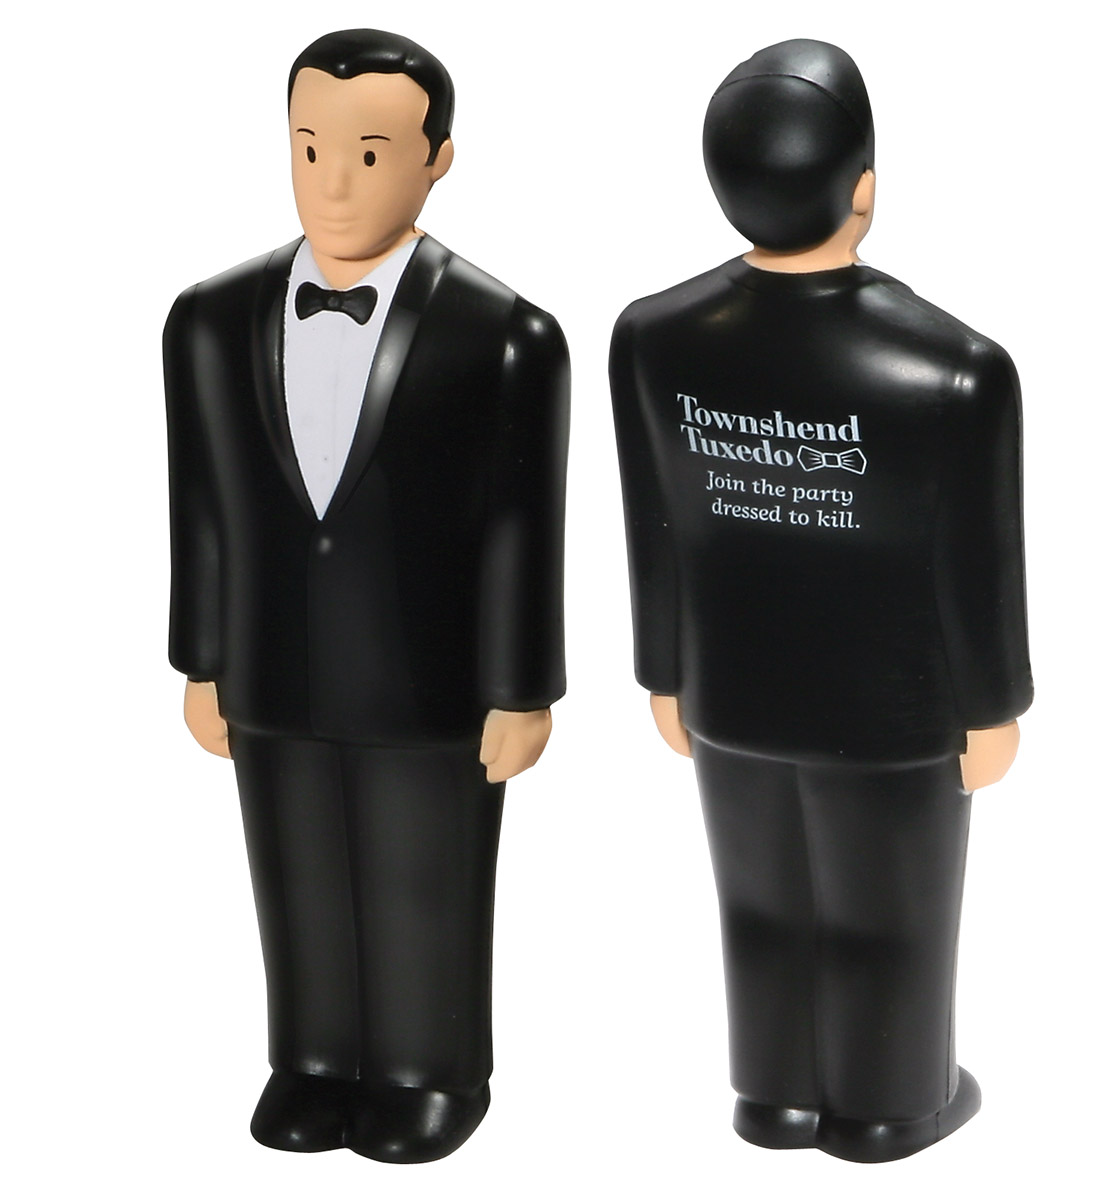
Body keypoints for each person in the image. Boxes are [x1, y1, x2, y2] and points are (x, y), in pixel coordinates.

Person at [609, 39, 1031, 1163]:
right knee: (888, 920)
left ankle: (776, 1096)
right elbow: (977, 566)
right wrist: (993, 707)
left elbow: (654, 529)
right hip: (892, 715)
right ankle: (889, 1106)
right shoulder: (954, 370)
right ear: (864, 189)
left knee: (760, 910)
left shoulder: (653, 337)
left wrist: (663, 673)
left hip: (728, 696)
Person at [164, 29, 569, 1163]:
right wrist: (201, 658)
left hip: (430, 683)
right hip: (273, 669)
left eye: (372, 153)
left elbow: (524, 526)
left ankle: (429, 1071)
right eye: (309, 148)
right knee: (293, 874)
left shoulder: (506, 336)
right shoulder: (208, 319)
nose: (333, 183)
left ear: (438, 160)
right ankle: (312, 1058)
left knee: (420, 881)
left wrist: (524, 688)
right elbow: (200, 504)